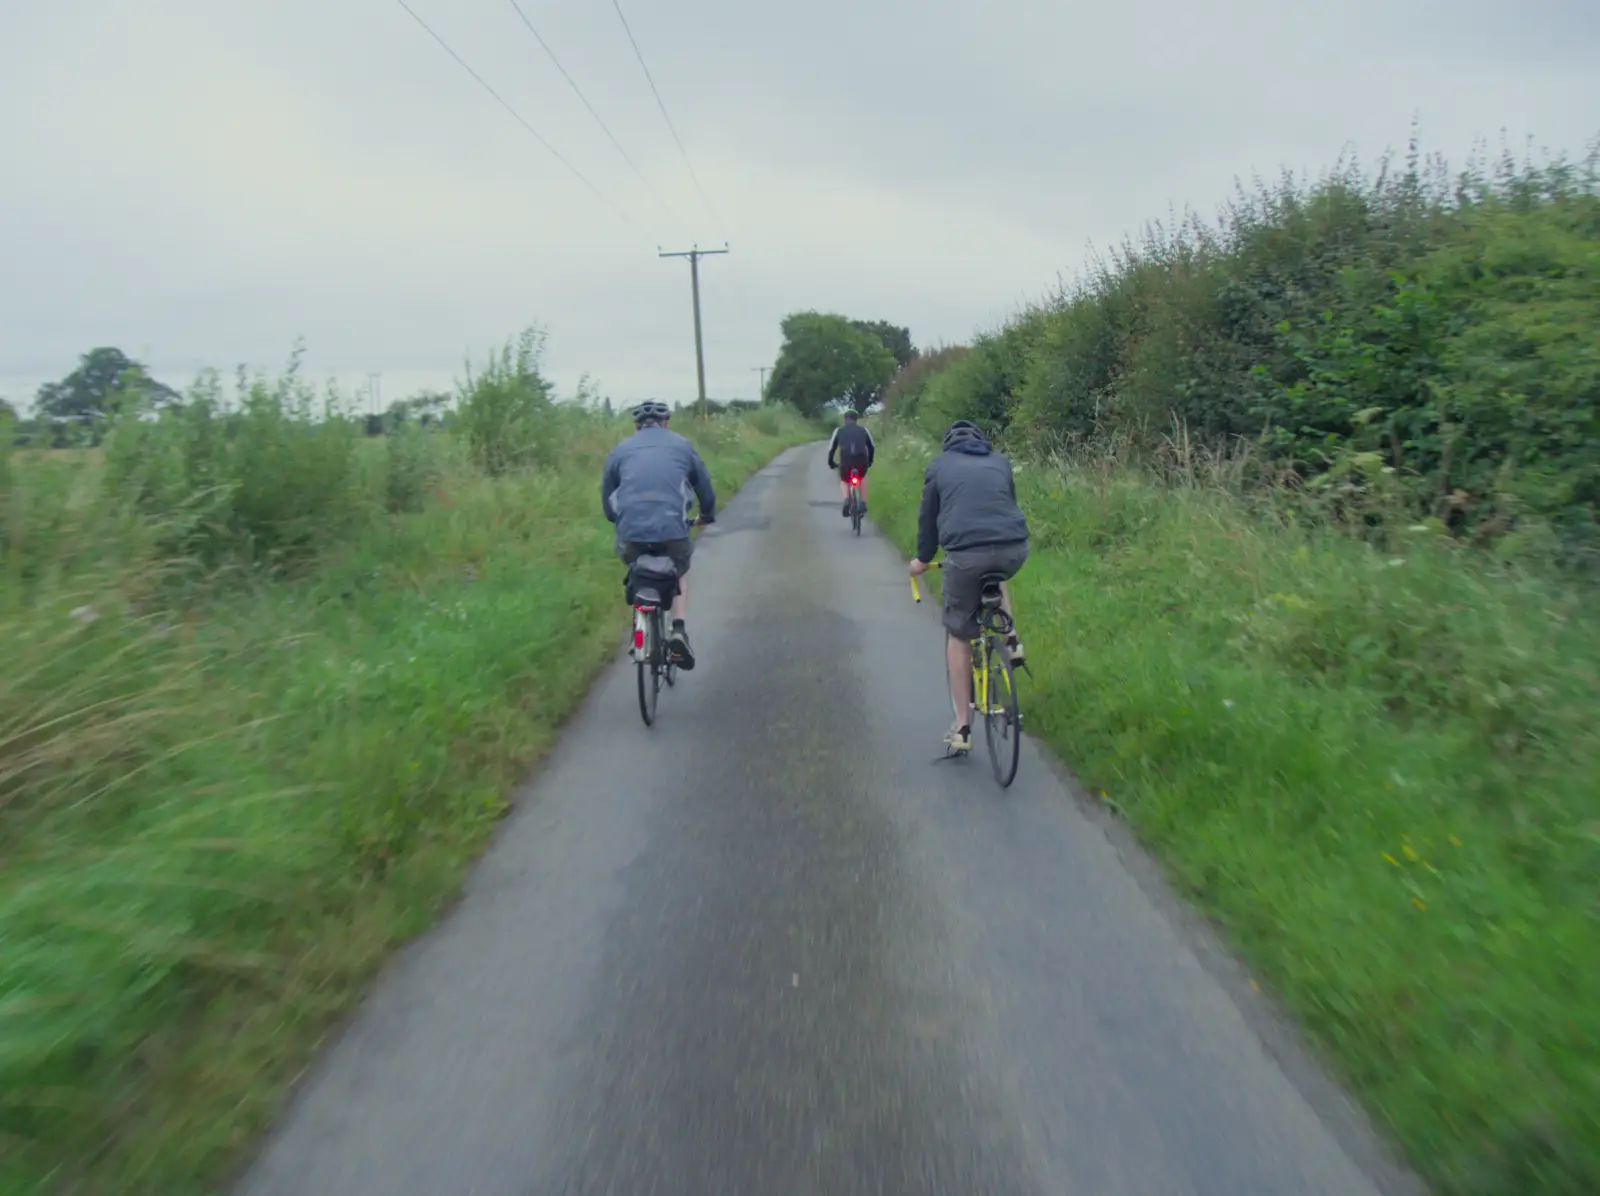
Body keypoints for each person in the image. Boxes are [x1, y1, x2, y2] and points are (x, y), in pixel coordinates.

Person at [907, 420, 1028, 753]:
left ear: (949, 446)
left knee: (959, 633)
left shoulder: (939, 466)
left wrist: (921, 559)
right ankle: (1011, 639)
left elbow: (928, 520)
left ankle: (962, 726)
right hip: (1014, 548)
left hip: (964, 557)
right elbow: (1006, 506)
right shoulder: (1000, 461)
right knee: (997, 573)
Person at [602, 400, 716, 669]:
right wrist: (707, 514)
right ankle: (677, 630)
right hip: (672, 530)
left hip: (631, 532)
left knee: (637, 569)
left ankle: (639, 634)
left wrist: (616, 519)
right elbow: (704, 486)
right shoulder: (682, 445)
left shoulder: (619, 450)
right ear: (666, 423)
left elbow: (607, 497)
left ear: (636, 426)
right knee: (678, 571)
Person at [825, 407, 875, 516]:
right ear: (856, 420)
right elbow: (871, 447)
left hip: (846, 461)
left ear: (845, 419)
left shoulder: (838, 431)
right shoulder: (864, 430)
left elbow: (831, 449)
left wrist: (831, 463)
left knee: (844, 479)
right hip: (861, 460)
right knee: (862, 477)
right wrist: (870, 461)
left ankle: (847, 499)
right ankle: (862, 502)